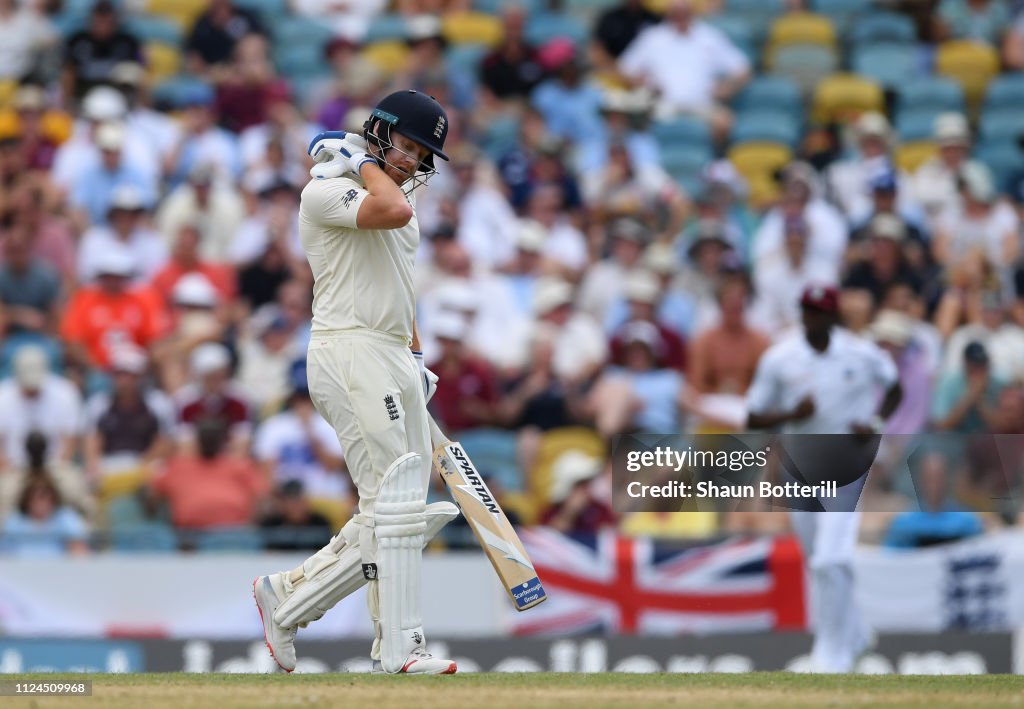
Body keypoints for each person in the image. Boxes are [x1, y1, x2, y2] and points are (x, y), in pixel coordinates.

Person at [253, 90, 460, 675]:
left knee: (395, 511)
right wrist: (362, 162)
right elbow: (392, 210)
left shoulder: (387, 194)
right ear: (378, 132)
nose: (413, 162)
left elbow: (398, 282)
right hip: (348, 348)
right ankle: (399, 649)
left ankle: (288, 598)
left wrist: (415, 356)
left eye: (424, 155)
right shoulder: (324, 191)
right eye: (409, 146)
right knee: (394, 507)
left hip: (391, 352)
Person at [746, 284, 902, 673]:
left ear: (833, 316)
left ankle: (831, 655)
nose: (811, 318)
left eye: (819, 312)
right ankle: (856, 633)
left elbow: (895, 387)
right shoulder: (780, 357)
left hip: (847, 463)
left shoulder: (860, 352)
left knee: (832, 559)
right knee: (818, 558)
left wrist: (876, 423)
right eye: (807, 311)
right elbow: (752, 416)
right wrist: (791, 414)